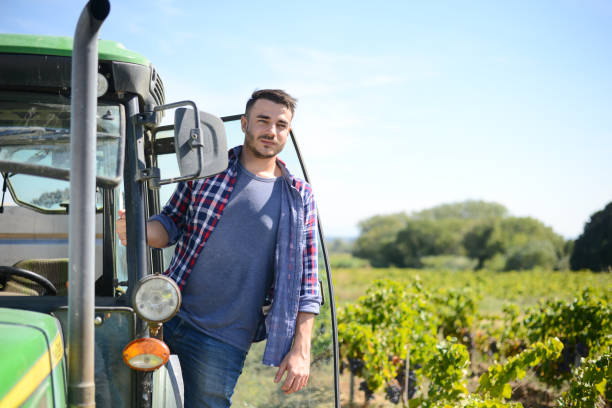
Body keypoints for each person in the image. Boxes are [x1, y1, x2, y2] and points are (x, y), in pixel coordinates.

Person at [117, 89, 321, 408]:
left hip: (225, 337)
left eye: (281, 124)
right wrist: (139, 230)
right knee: (123, 393)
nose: (271, 130)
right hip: (167, 313)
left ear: (288, 131)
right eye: (263, 120)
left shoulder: (298, 196)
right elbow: (169, 225)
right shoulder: (208, 170)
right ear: (244, 123)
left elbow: (308, 281)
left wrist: (301, 350)